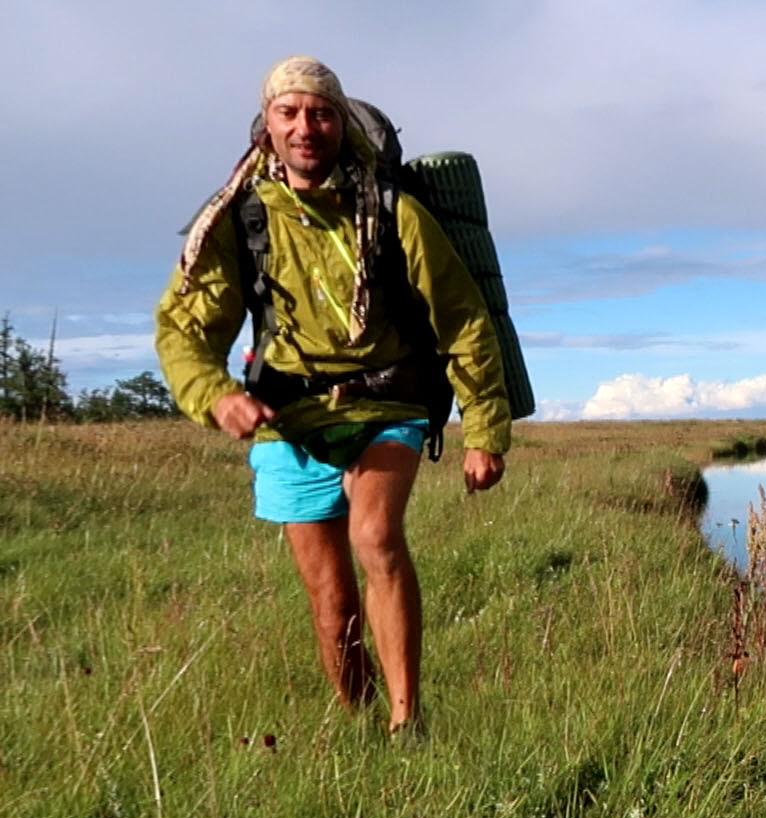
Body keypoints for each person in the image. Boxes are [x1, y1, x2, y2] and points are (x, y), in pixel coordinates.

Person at [156, 56, 511, 736]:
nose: (305, 126)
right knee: (329, 601)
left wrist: (485, 430)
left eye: (319, 112)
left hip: (388, 405)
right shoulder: (243, 218)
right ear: (267, 128)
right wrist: (215, 395)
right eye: (288, 113)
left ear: (341, 124)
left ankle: (409, 726)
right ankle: (362, 721)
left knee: (376, 535)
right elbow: (183, 326)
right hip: (289, 419)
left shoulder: (392, 212)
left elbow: (462, 319)